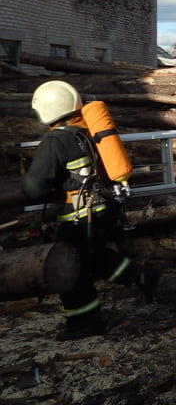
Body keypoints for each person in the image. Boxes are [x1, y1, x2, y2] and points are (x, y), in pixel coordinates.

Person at [21, 80, 159, 341]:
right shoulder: (83, 132)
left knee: (70, 268)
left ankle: (85, 323)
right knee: (93, 258)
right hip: (102, 210)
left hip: (78, 217)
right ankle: (143, 277)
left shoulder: (55, 140)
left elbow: (35, 187)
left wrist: (30, 187)